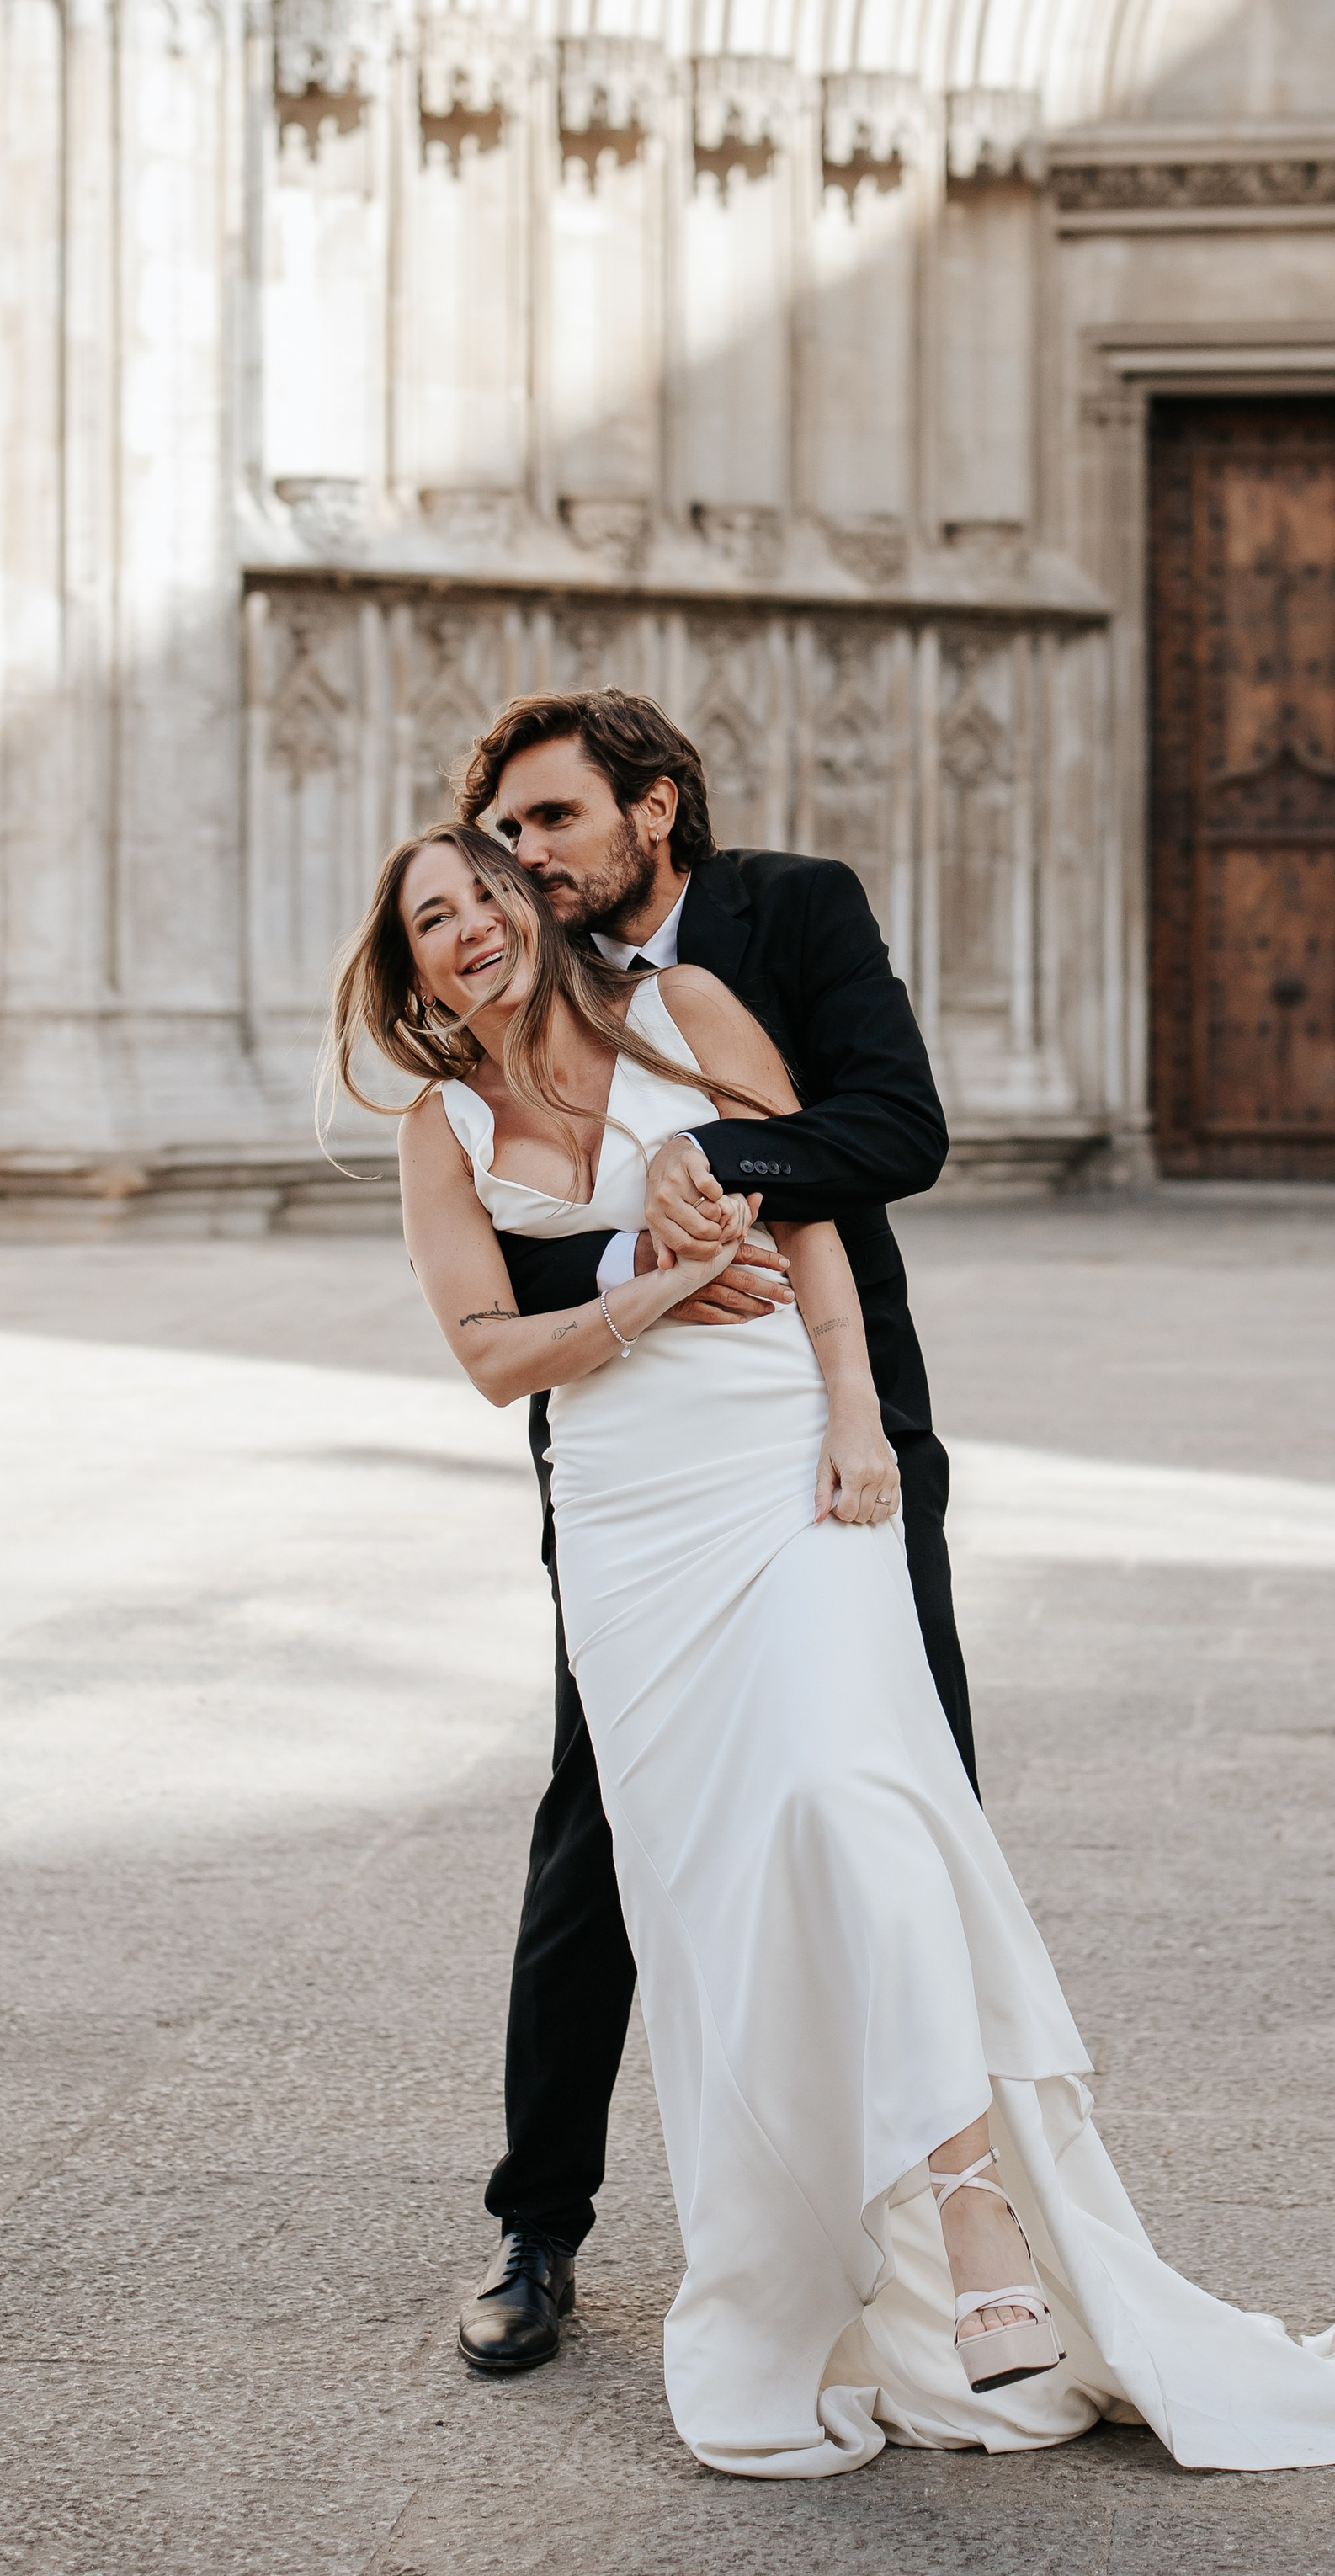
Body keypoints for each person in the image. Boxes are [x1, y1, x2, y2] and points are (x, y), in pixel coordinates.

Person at [327, 812, 1335, 2478]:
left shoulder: (686, 1016)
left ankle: (973, 2216)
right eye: (428, 922)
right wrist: (647, 1296)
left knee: (853, 1794)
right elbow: (485, 1353)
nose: (467, 929)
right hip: (629, 1524)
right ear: (408, 972)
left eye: (481, 896)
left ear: (532, 911)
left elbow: (815, 1213)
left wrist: (856, 1418)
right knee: (723, 1902)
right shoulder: (441, 1128)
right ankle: (806, 2258)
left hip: (781, 1459)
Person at [440, 689, 973, 2374]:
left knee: (898, 1794)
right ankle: (537, 2223)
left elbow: (896, 1132)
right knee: (599, 1814)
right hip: (626, 1462)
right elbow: (496, 1259)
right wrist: (635, 1261)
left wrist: (709, 1156)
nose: (525, 858)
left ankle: (962, 2219)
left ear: (652, 805)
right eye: (502, 836)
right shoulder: (511, 999)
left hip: (824, 1431)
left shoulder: (782, 913)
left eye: (551, 821)